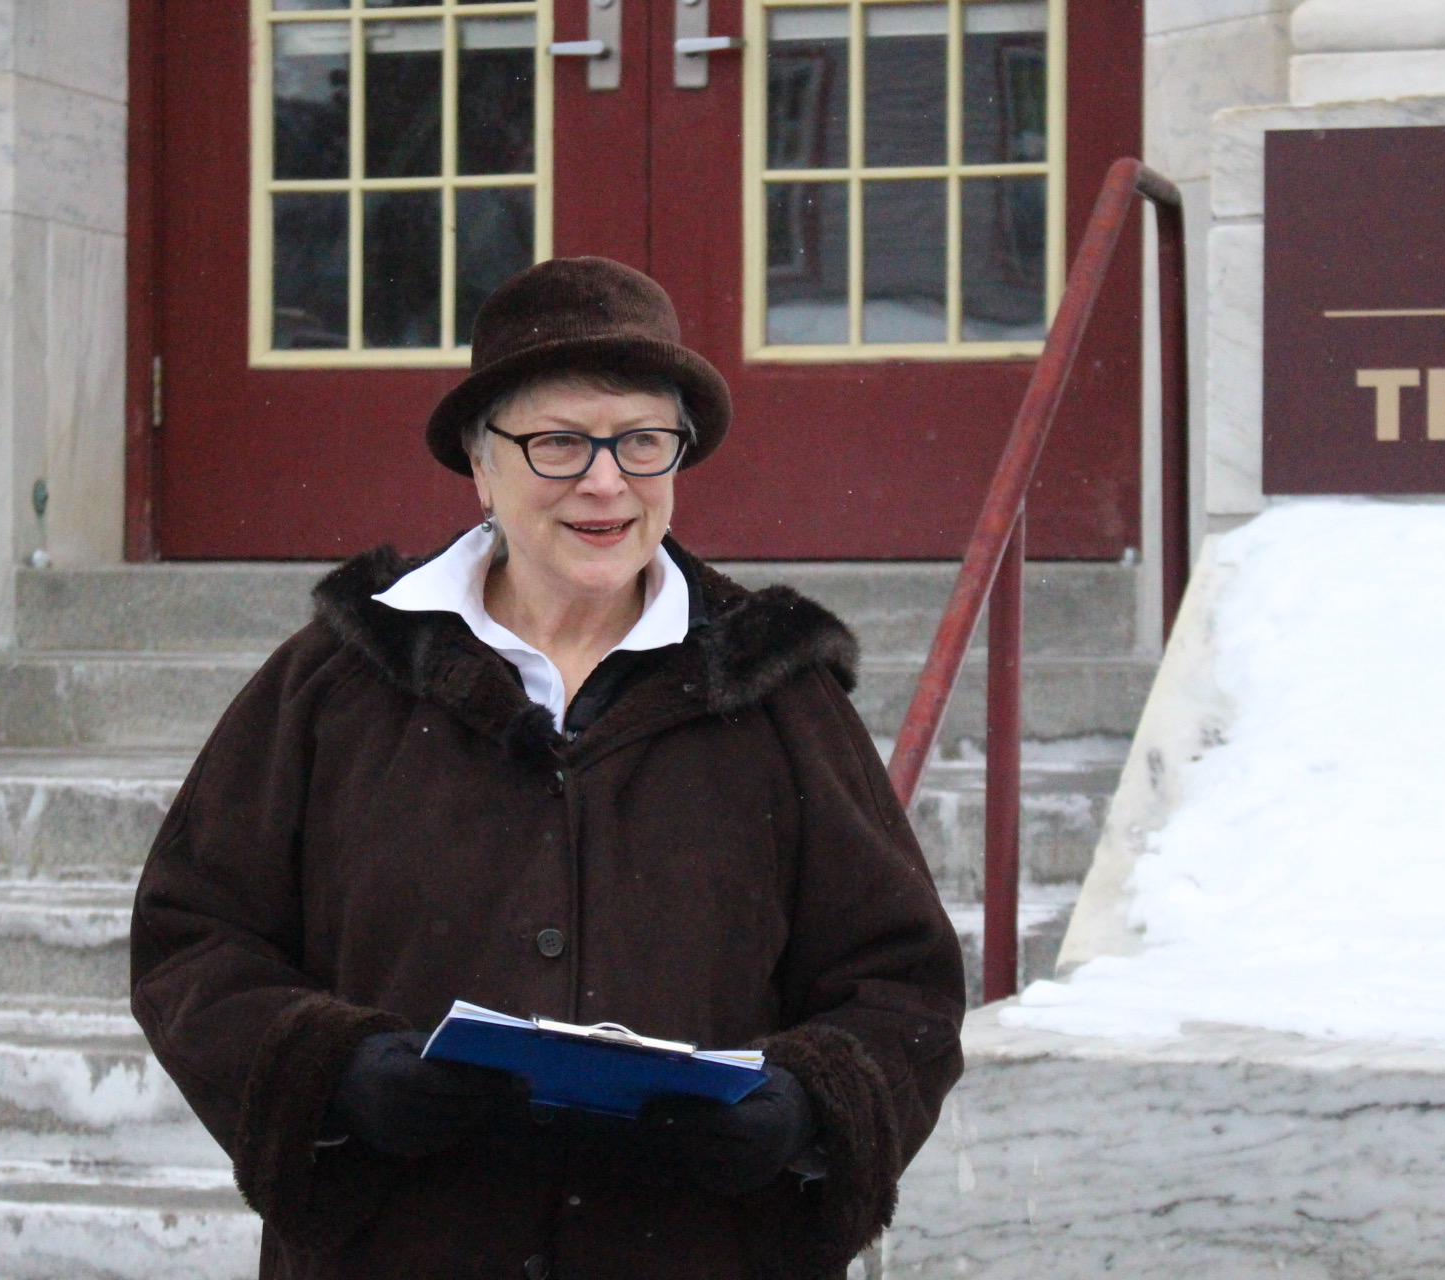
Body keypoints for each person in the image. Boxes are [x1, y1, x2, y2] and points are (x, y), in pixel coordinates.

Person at [131, 257, 966, 1280]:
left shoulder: (774, 692)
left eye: (642, 441)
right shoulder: (339, 682)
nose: (606, 480)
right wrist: (338, 1073)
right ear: (482, 465)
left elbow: (901, 983)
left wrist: (803, 1106)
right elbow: (195, 934)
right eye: (560, 441)